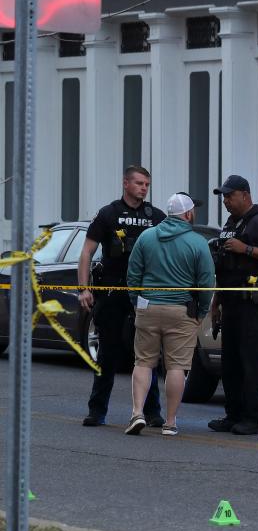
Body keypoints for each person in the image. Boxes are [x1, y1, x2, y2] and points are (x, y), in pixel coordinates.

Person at [78, 166, 165, 427]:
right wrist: (84, 289)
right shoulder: (108, 214)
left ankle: (152, 412)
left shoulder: (156, 216)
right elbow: (86, 253)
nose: (143, 188)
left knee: (146, 354)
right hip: (113, 292)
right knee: (107, 353)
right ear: (125, 183)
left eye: (147, 184)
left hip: (144, 293)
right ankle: (97, 411)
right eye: (139, 183)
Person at [124, 193, 216, 436]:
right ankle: (171, 422)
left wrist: (136, 302)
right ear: (187, 214)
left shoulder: (146, 237)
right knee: (176, 367)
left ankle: (136, 413)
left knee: (143, 362)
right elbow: (206, 283)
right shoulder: (197, 243)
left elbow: (133, 273)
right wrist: (203, 312)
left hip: (148, 307)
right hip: (182, 311)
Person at [207, 175, 258, 435]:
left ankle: (252, 419)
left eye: (229, 196)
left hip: (252, 306)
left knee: (250, 363)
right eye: (223, 197)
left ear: (245, 194)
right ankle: (233, 415)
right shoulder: (231, 223)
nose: (226, 201)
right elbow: (224, 267)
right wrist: (216, 303)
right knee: (229, 364)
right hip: (230, 303)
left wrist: (248, 250)